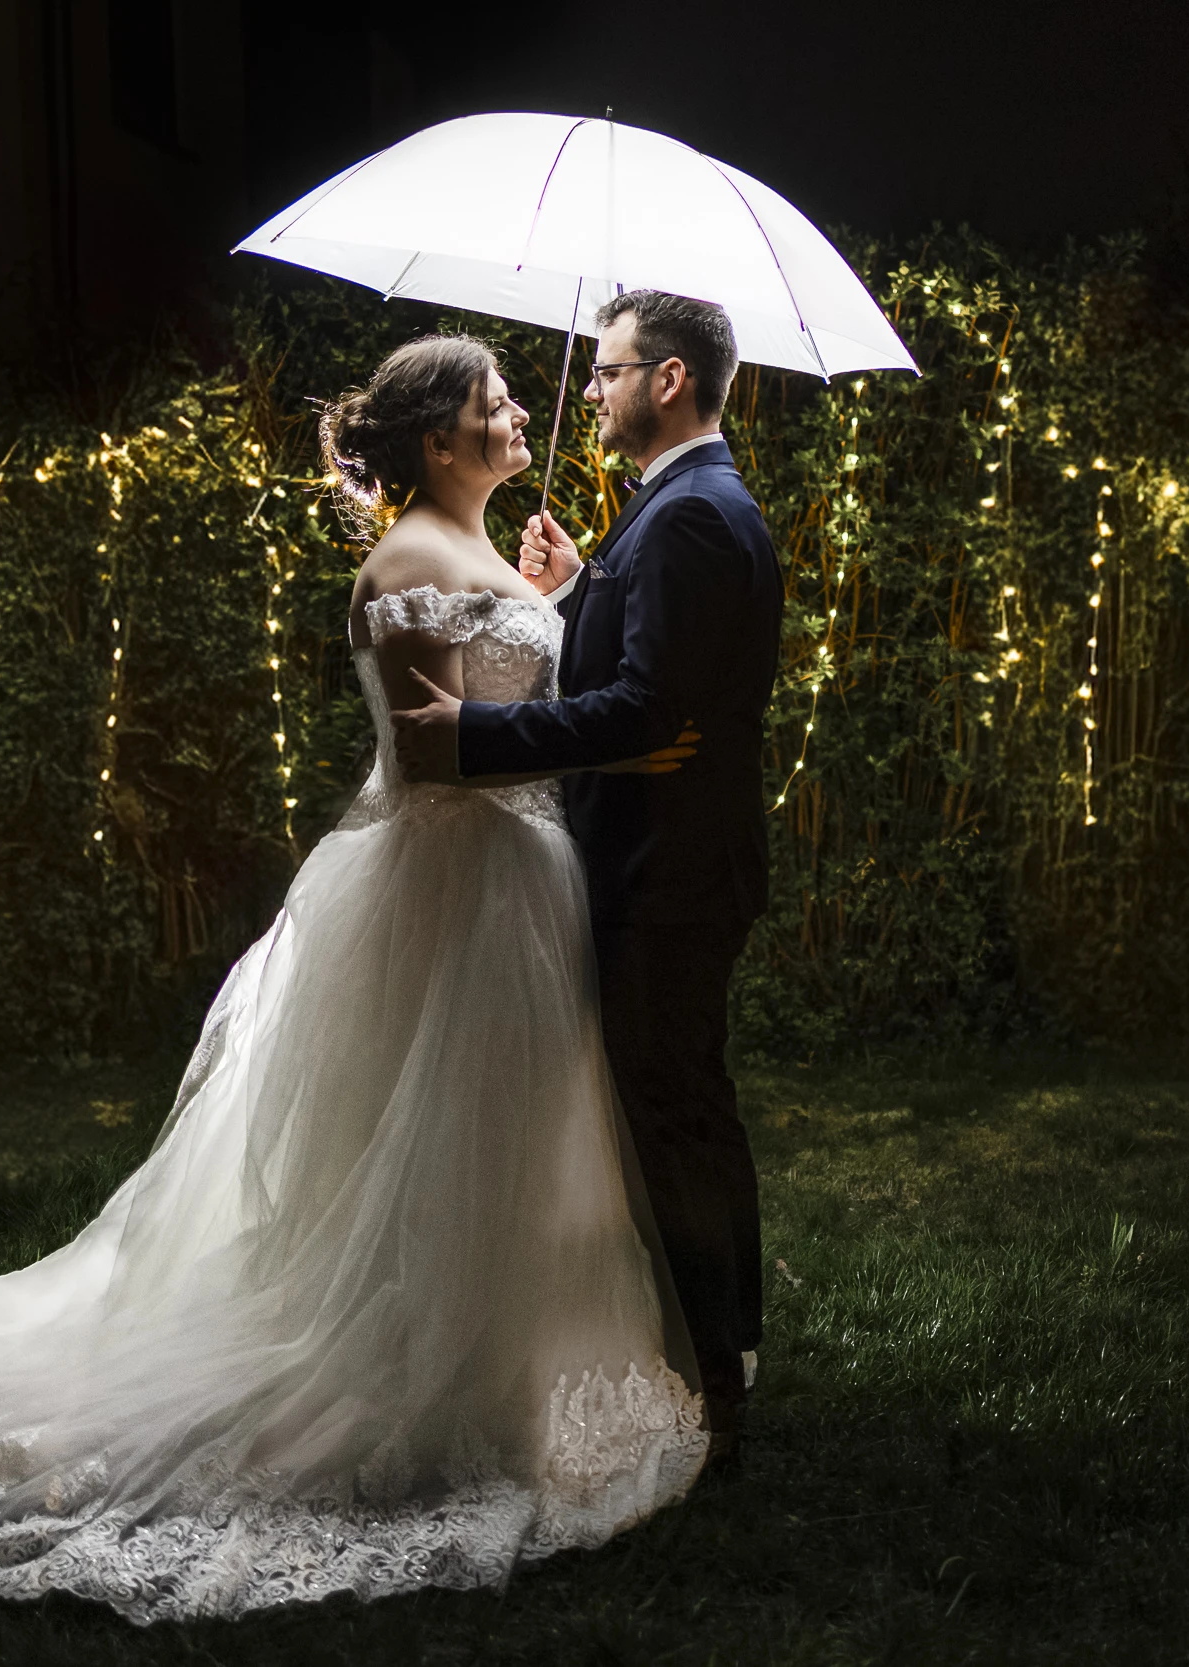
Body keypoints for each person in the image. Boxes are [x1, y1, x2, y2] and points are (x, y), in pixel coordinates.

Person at [0, 334, 710, 1625]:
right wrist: (548, 674)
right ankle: (406, 1371)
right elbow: (431, 757)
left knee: (508, 1143)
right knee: (423, 1143)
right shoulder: (400, 563)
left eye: (513, 398)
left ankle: (500, 1367)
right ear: (440, 442)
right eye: (493, 402)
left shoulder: (488, 552)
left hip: (517, 883)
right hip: (449, 892)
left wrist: (547, 599)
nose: (519, 413)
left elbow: (500, 687)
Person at [391, 289, 783, 1467]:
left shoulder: (688, 518)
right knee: (673, 1105)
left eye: (608, 371)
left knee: (673, 1113)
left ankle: (717, 1369)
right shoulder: (671, 510)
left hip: (667, 870)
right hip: (663, 864)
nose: (593, 388)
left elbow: (649, 706)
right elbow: (640, 656)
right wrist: (574, 588)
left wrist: (471, 735)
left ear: (667, 380)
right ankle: (716, 1347)